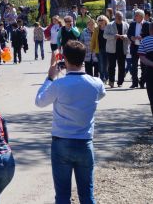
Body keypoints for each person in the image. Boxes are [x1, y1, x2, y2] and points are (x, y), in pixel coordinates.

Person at [35, 41, 106, 204]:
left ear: (64, 59)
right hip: (85, 142)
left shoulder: (59, 85)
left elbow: (39, 101)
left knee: (62, 195)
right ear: (83, 59)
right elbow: (101, 94)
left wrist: (50, 77)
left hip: (62, 141)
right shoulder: (96, 83)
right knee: (87, 194)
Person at [105, 11, 129, 88]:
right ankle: (111, 81)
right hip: (111, 49)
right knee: (111, 66)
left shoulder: (126, 24)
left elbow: (129, 35)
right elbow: (105, 35)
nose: (119, 19)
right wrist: (114, 36)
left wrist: (124, 36)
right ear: (115, 17)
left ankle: (120, 82)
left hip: (122, 48)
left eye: (120, 17)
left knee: (122, 66)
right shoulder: (109, 25)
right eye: (118, 17)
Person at [128, 9, 149, 89]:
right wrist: (131, 37)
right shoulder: (132, 24)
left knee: (144, 66)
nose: (135, 17)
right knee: (134, 66)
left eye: (136, 15)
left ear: (141, 16)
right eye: (135, 15)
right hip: (134, 47)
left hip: (144, 48)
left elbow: (149, 35)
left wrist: (142, 37)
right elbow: (129, 33)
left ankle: (142, 82)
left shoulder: (147, 24)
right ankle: (134, 82)